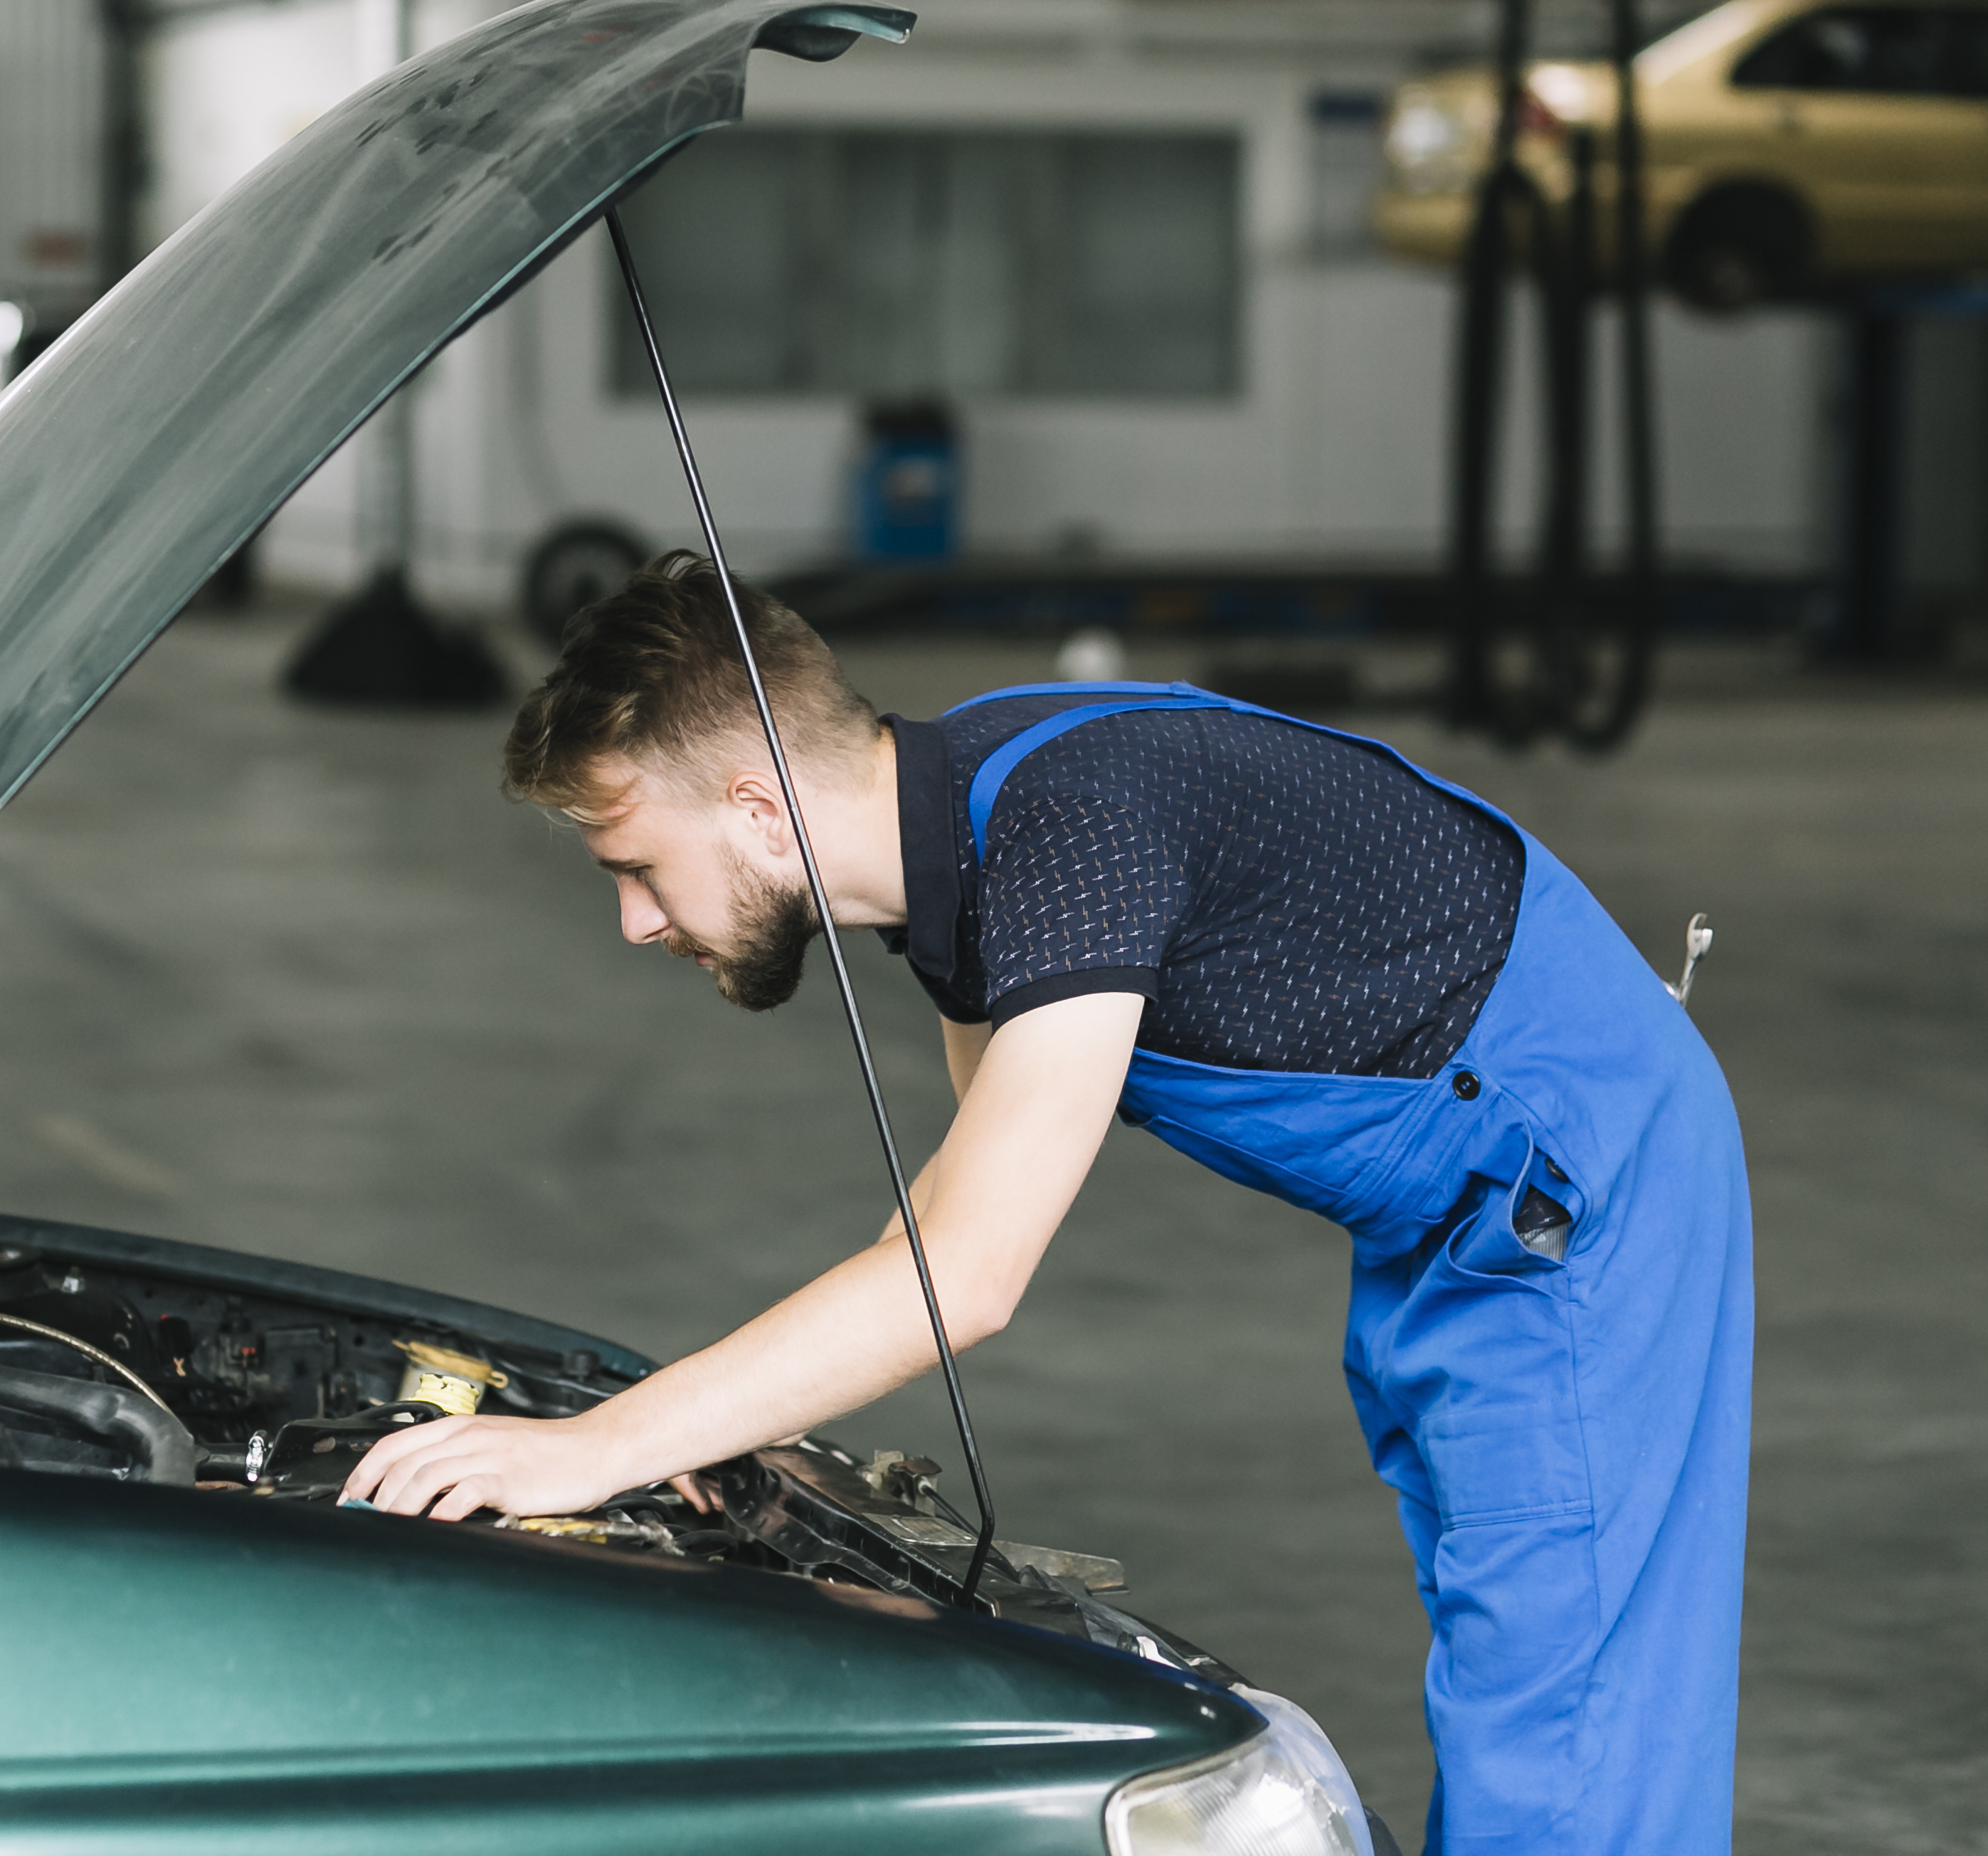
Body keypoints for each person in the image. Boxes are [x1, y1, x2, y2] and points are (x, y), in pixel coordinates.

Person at [346, 554, 1752, 1855]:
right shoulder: (956, 839)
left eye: (637, 868)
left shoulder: (1069, 836)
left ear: (758, 807)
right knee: (1512, 1653)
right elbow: (941, 1215)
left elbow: (971, 1274)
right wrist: (717, 1437)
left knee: (1567, 1729)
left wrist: (591, 1449)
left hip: (1571, 1182)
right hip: (1450, 1218)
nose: (637, 923)